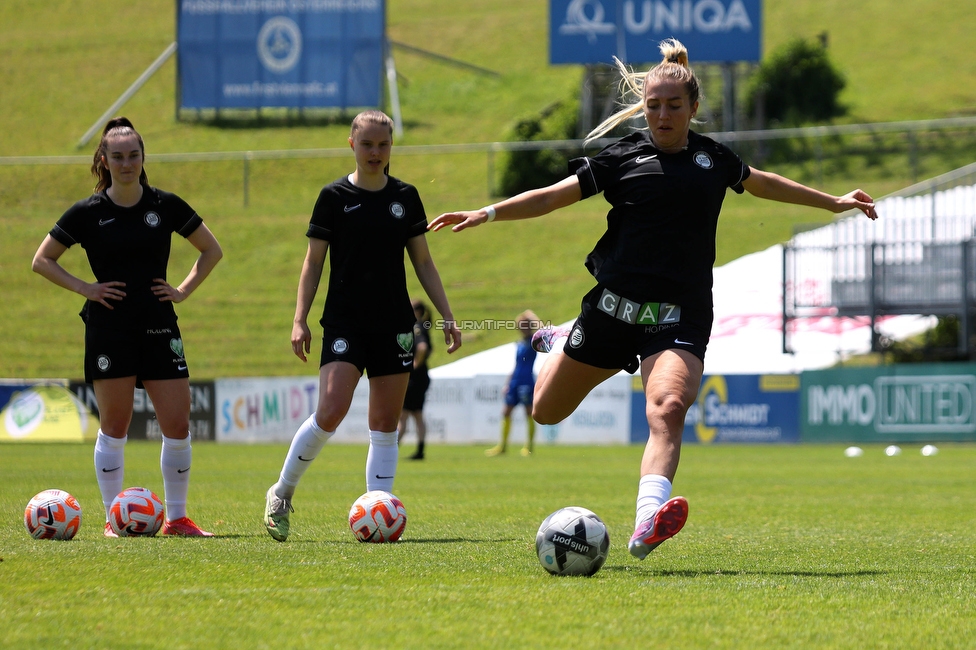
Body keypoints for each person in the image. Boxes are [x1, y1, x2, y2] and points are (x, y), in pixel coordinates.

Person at [429, 39, 878, 560]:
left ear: (692, 108)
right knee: (545, 412)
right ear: (643, 107)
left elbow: (762, 184)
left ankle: (647, 520)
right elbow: (552, 196)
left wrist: (833, 202)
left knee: (667, 407)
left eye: (673, 105)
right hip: (610, 311)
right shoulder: (622, 156)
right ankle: (556, 341)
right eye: (653, 105)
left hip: (678, 315)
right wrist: (487, 213)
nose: (662, 114)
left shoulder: (714, 160)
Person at [263, 110, 462, 542]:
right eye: (367, 144)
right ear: (352, 144)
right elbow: (312, 262)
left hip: (395, 324)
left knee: (385, 426)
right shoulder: (333, 197)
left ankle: (380, 515)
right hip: (344, 323)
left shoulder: (406, 197)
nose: (375, 152)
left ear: (392, 147)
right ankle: (281, 493)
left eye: (383, 144)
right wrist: (299, 320)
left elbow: (423, 261)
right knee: (330, 411)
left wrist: (446, 314)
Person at [31, 117, 223, 538]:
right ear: (103, 160)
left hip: (158, 324)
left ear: (142, 157)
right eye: (117, 156)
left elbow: (212, 249)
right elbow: (42, 260)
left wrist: (184, 290)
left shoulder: (165, 205)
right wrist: (86, 287)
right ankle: (112, 521)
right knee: (114, 425)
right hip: (109, 327)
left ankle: (176, 519)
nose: (126, 163)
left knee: (178, 423)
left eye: (133, 155)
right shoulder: (87, 212)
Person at [486, 310, 539, 457]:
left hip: (526, 382)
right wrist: (508, 383)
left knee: (528, 412)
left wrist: (532, 316)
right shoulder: (520, 344)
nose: (522, 328)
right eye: (520, 325)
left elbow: (542, 330)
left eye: (525, 325)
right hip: (515, 381)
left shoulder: (533, 342)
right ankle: (502, 446)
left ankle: (529, 447)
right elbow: (516, 365)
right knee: (506, 412)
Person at [398, 299, 433, 460]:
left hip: (414, 379)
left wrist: (414, 364)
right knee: (417, 414)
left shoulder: (417, 327)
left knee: (403, 415)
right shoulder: (423, 327)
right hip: (422, 378)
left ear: (417, 312)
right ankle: (420, 450)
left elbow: (422, 347)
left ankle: (391, 449)